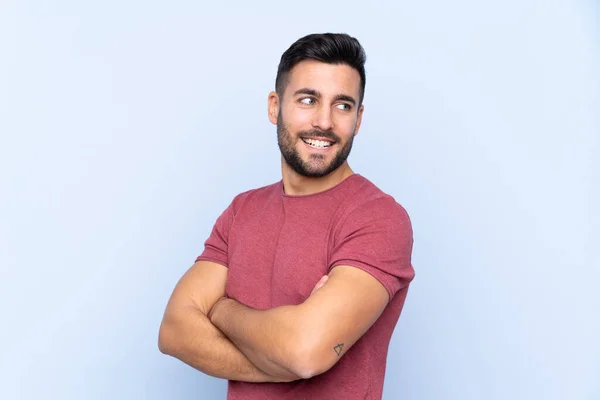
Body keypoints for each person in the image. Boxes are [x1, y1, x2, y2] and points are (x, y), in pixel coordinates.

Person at [158, 32, 415, 400]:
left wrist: (223, 310)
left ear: (358, 119)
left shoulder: (378, 218)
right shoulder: (241, 211)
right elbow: (174, 331)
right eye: (308, 100)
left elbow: (305, 352)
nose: (324, 122)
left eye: (342, 105)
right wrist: (283, 362)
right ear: (274, 107)